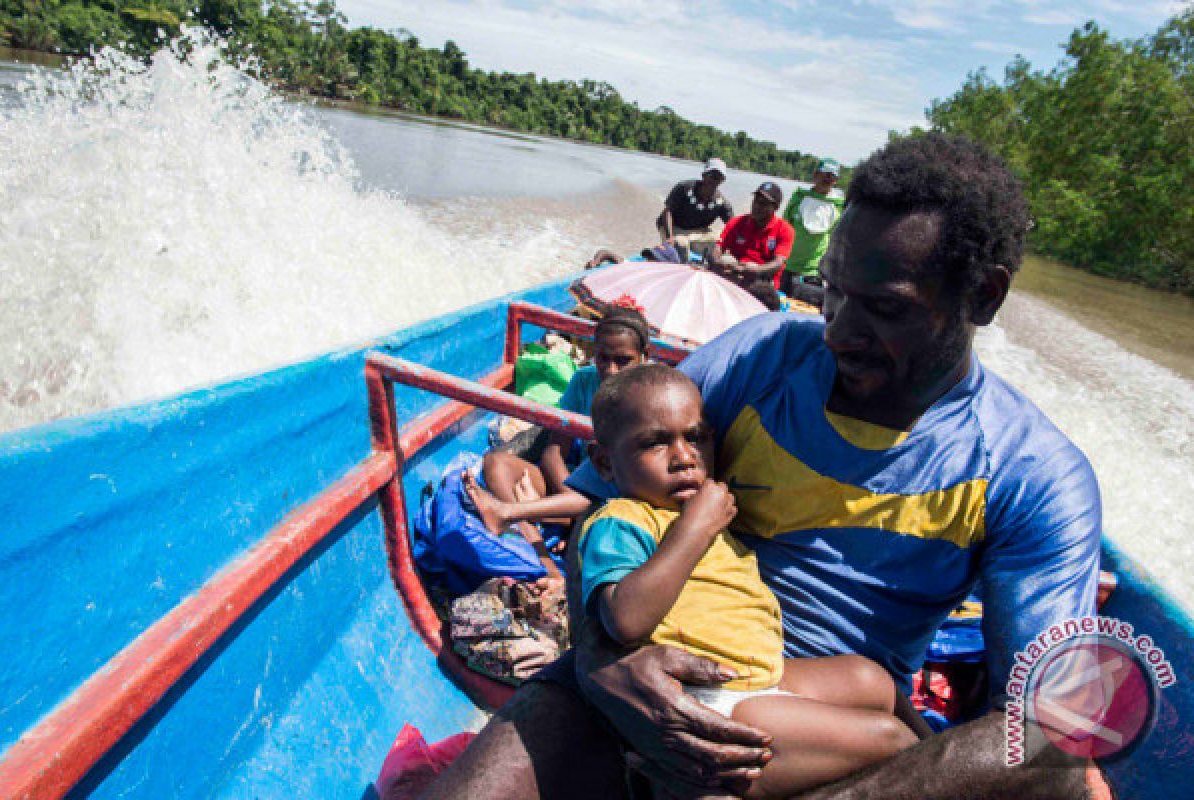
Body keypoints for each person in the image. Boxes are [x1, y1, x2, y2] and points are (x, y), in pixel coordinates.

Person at [422, 133, 1102, 800]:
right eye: (832, 291)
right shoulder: (763, 354)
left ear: (983, 296)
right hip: (647, 668)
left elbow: (1040, 730)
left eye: (885, 309)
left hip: (834, 743)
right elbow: (602, 509)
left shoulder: (1032, 475)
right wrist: (604, 663)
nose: (836, 330)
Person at [581, 363, 917, 798]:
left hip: (754, 677)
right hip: (704, 705)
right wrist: (694, 529)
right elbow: (624, 618)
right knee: (892, 740)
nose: (684, 457)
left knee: (871, 680)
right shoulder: (622, 520)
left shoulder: (704, 517)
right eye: (654, 443)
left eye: (696, 437)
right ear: (605, 463)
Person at [465, 305, 650, 538]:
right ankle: (539, 546)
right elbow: (553, 453)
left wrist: (568, 505)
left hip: (621, 495)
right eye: (603, 358)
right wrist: (569, 498)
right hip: (578, 487)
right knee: (496, 464)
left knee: (607, 509)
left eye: (623, 361)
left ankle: (523, 514)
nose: (610, 370)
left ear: (645, 356)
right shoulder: (584, 380)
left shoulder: (654, 395)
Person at [707, 182, 796, 291]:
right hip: (736, 271)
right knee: (720, 262)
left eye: (763, 203)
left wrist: (755, 270)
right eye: (755, 201)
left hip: (763, 279)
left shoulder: (785, 230)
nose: (757, 206)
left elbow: (778, 263)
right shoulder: (736, 222)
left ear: (776, 207)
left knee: (752, 272)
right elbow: (718, 247)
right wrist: (718, 261)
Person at [782, 159, 846, 306]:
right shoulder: (798, 198)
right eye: (825, 174)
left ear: (836, 180)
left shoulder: (839, 207)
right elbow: (784, 226)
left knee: (804, 311)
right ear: (815, 175)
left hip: (813, 271)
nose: (827, 179)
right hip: (787, 265)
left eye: (832, 176)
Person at [657, 158, 734, 262]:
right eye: (711, 176)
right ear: (703, 175)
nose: (714, 181)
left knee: (719, 245)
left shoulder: (722, 203)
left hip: (698, 231)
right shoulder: (683, 188)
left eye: (718, 177)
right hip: (673, 226)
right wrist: (669, 237)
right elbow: (667, 212)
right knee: (680, 244)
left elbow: (733, 227)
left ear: (722, 180)